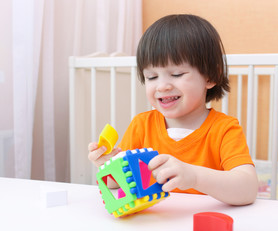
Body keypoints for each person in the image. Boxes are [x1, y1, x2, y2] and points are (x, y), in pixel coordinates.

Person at [88, 14, 258, 205]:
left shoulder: (224, 129)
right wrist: (107, 168)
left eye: (176, 74)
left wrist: (194, 176)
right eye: (152, 77)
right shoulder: (142, 125)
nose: (162, 86)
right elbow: (120, 184)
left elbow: (248, 189)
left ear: (210, 77)